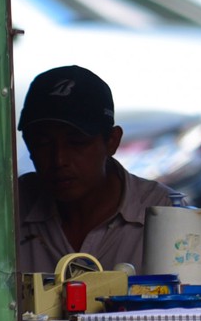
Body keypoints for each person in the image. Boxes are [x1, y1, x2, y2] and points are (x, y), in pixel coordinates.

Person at [16, 64, 179, 275]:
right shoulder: (7, 211)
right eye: (43, 143)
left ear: (112, 141)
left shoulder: (163, 214)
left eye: (76, 142)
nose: (59, 159)